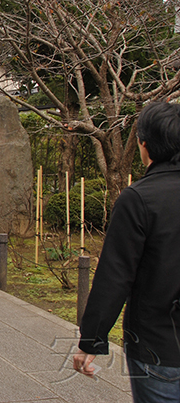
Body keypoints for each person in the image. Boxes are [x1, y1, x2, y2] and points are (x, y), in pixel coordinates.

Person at [73, 101, 180, 402]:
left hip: (159, 346)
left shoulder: (139, 199)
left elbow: (115, 276)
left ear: (144, 144)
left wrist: (90, 342)